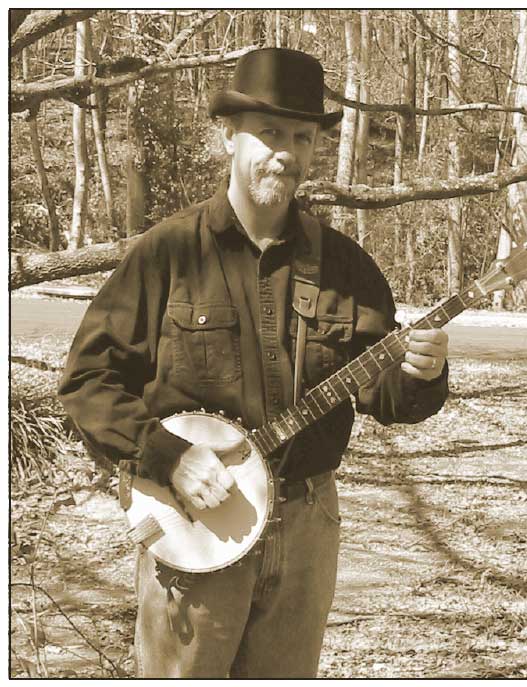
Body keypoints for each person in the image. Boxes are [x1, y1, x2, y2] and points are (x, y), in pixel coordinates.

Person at [58, 47, 449, 678]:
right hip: (195, 523)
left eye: (301, 135)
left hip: (306, 526)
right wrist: (168, 456)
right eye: (269, 133)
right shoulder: (168, 253)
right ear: (228, 138)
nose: (285, 152)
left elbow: (385, 394)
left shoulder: (346, 266)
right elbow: (87, 381)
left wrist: (419, 374)